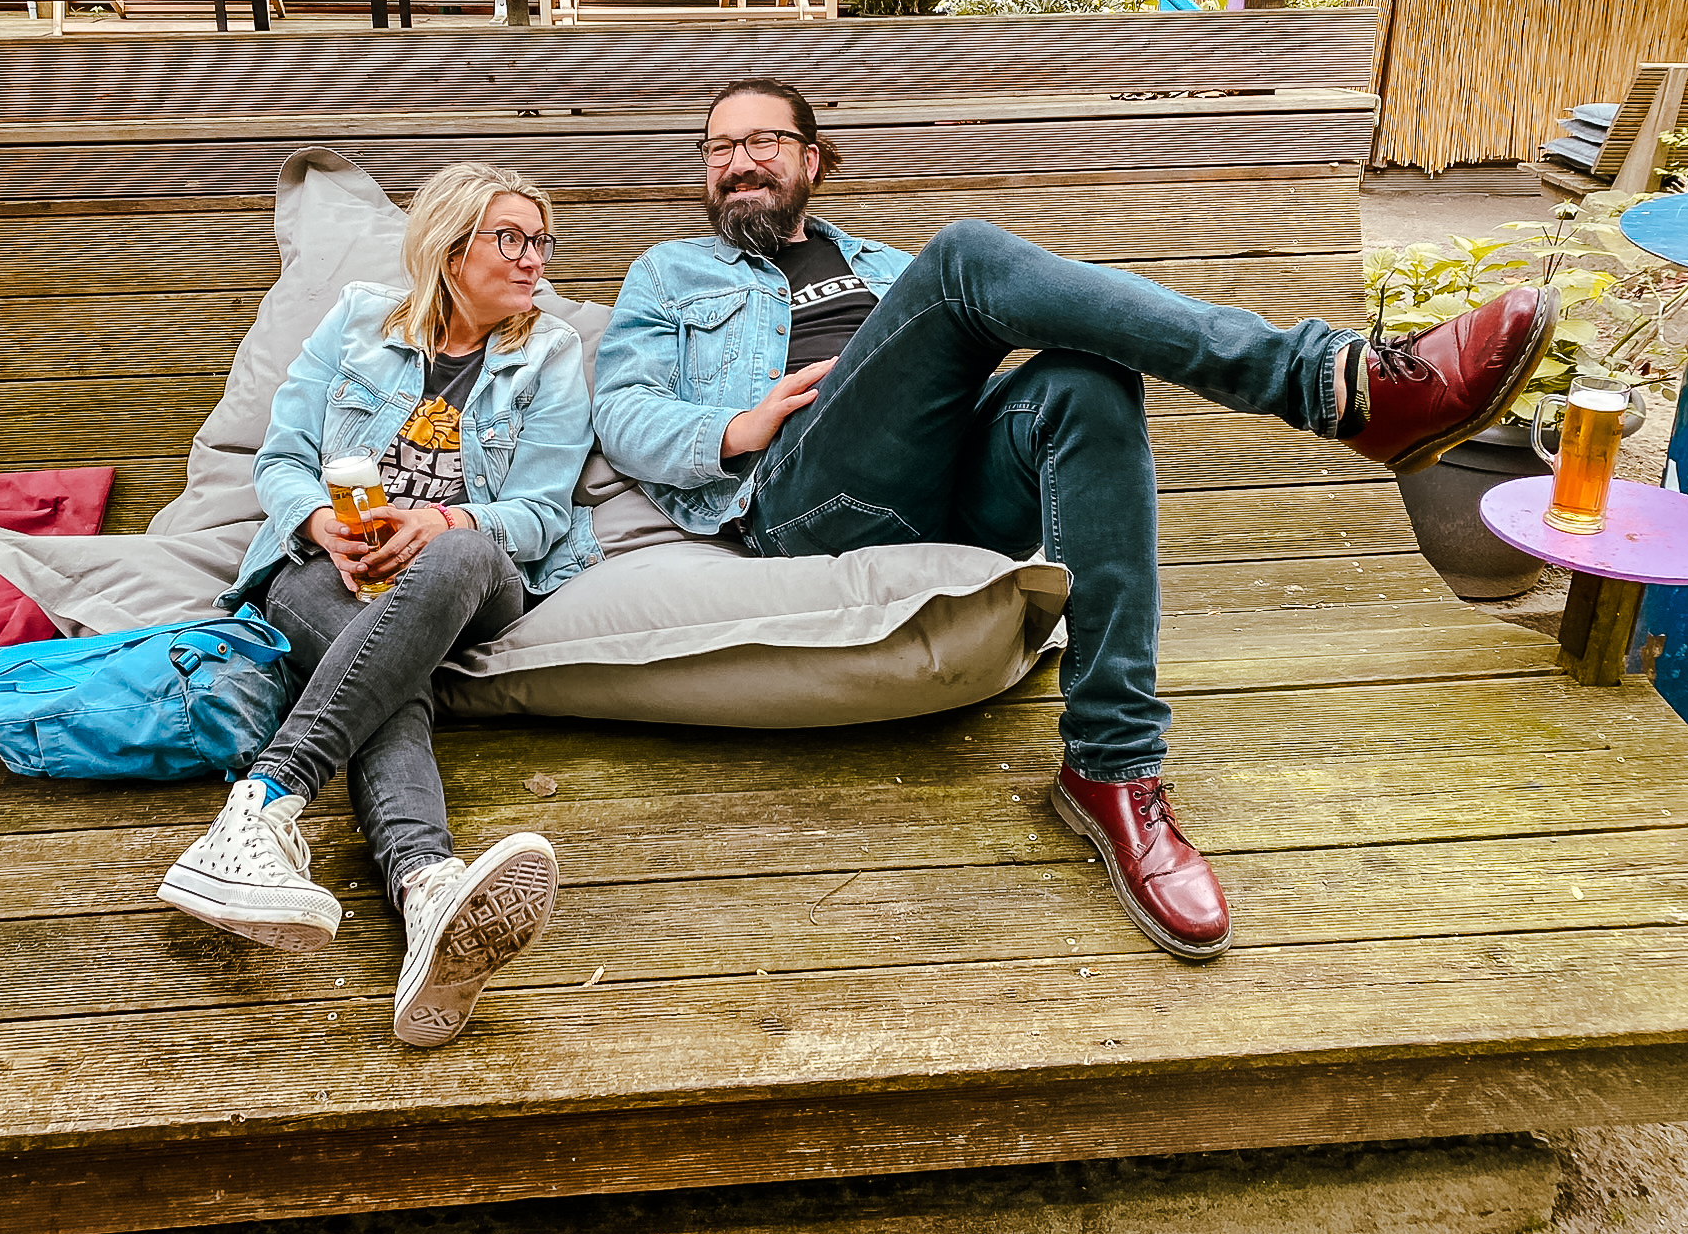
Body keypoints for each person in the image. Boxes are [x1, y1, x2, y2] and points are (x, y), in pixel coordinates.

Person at [593, 78, 1557, 963]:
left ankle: (1110, 767)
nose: (738, 162)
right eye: (717, 150)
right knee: (969, 256)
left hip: (950, 497)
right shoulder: (670, 273)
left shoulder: (884, 266)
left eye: (763, 140)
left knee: (1088, 382)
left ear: (811, 160)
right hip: (804, 499)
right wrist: (738, 422)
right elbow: (622, 409)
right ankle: (1332, 384)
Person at [158, 162, 593, 1047]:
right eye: (512, 238)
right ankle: (429, 890)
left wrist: (437, 519)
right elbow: (278, 462)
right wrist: (320, 524)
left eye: (541, 240)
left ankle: (263, 805)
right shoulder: (357, 322)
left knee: (459, 550)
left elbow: (543, 514)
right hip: (331, 570)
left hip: (469, 574)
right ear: (450, 245)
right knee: (388, 676)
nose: (534, 259)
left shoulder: (549, 355)